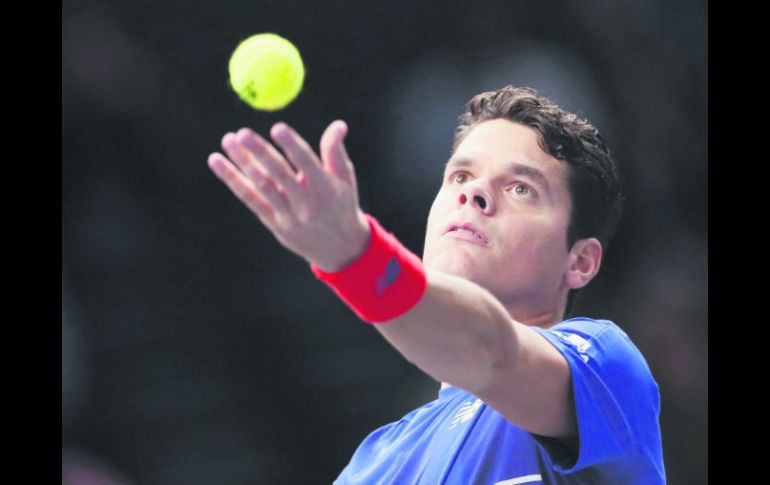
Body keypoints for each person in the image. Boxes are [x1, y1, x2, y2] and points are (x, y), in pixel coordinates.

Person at [207, 86, 666, 484]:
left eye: (522, 188)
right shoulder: (375, 464)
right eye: (460, 176)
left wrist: (357, 257)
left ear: (580, 261)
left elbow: (492, 352)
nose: (473, 193)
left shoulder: (605, 369)